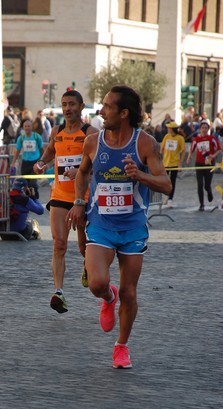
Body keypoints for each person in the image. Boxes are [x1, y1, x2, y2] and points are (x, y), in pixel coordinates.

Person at [68, 85, 171, 369]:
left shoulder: (145, 144)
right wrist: (79, 201)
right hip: (101, 223)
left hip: (133, 226)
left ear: (123, 113)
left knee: (130, 292)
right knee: (98, 283)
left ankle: (121, 346)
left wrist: (140, 175)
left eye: (107, 106)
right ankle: (107, 296)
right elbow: (82, 173)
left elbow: (166, 184)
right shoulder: (93, 142)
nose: (101, 111)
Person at [33, 89, 97, 314]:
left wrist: (80, 172)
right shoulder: (57, 131)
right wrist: (41, 162)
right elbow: (51, 151)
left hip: (85, 198)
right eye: (64, 104)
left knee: (83, 247)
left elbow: (101, 165)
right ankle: (59, 292)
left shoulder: (91, 133)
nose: (67, 108)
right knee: (59, 243)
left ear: (81, 107)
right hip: (59, 196)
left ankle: (89, 266)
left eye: (72, 104)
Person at [186, 120, 221, 211]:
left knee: (207, 184)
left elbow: (219, 149)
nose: (204, 129)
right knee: (200, 184)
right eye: (202, 128)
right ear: (200, 129)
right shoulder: (196, 139)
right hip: (199, 163)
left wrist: (213, 155)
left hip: (209, 163)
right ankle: (201, 204)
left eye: (206, 128)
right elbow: (191, 149)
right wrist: (189, 158)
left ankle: (209, 191)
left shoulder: (212, 138)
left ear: (208, 129)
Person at [10, 119, 43, 198]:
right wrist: (13, 163)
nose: (27, 128)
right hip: (25, 162)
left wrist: (42, 162)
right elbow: (17, 151)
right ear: (23, 128)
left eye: (29, 126)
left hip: (35, 161)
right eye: (25, 126)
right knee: (25, 182)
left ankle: (35, 195)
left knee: (32, 182)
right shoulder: (21, 138)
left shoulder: (36, 136)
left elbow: (42, 149)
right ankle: (29, 198)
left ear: (31, 127)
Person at [160, 121, 185, 207]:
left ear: (172, 129)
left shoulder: (180, 138)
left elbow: (183, 151)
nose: (167, 129)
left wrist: (180, 163)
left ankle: (170, 199)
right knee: (165, 181)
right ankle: (166, 196)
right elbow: (161, 148)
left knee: (172, 182)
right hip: (166, 163)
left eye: (169, 128)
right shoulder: (166, 136)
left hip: (175, 163)